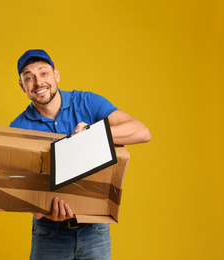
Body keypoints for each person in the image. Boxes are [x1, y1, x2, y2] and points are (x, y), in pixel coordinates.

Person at [10, 49, 151, 260]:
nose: (38, 82)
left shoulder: (87, 102)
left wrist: (90, 135)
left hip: (96, 229)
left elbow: (141, 132)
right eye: (29, 77)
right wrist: (44, 210)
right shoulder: (18, 128)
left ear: (56, 75)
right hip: (49, 234)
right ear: (22, 85)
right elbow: (20, 191)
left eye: (44, 73)